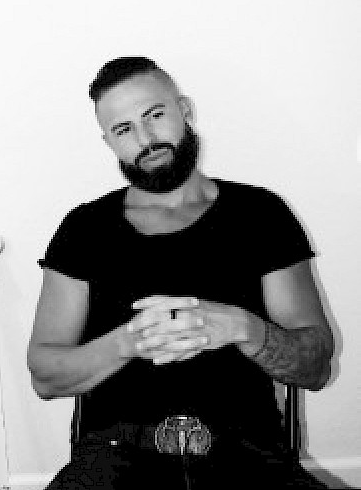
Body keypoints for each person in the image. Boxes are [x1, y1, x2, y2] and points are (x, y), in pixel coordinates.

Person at [27, 56, 334, 489]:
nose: (146, 139)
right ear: (108, 142)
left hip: (244, 450)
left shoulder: (262, 215)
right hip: (117, 454)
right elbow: (44, 374)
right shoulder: (84, 229)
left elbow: (316, 367)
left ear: (184, 110)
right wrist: (130, 342)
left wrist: (243, 328)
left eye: (155, 115)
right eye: (124, 129)